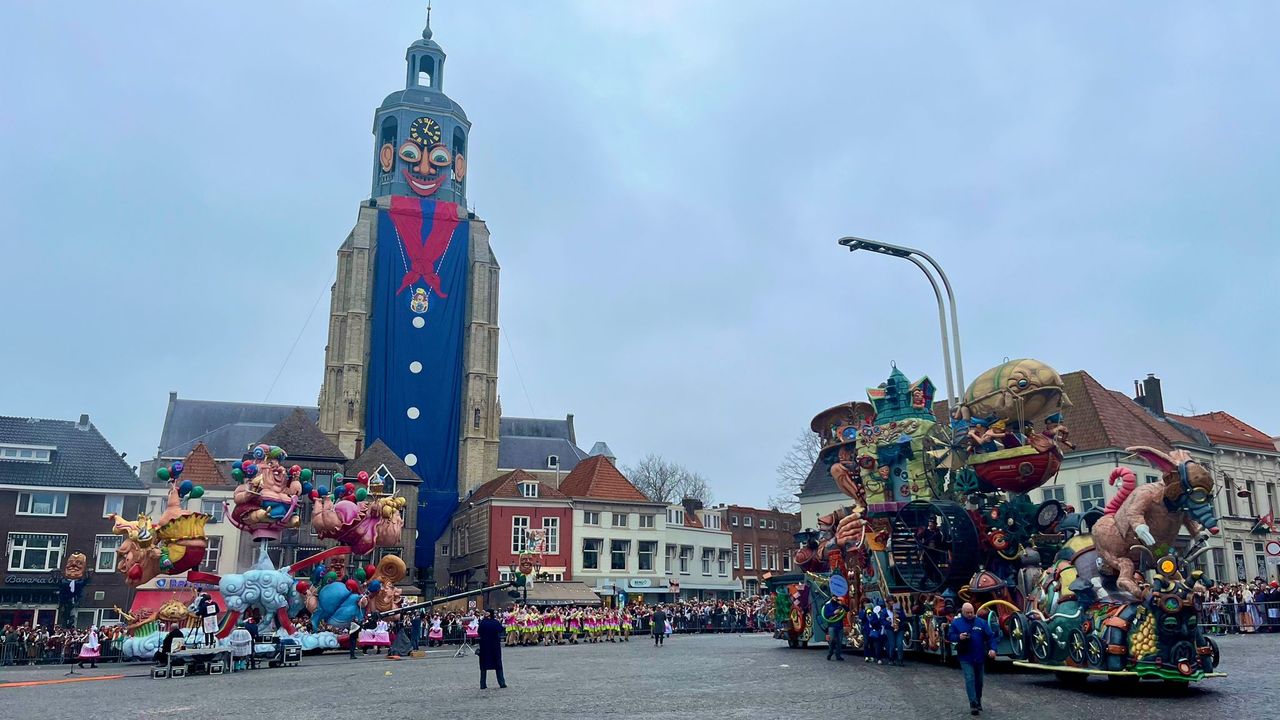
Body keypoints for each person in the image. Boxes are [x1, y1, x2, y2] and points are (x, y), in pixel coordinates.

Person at [947, 602, 998, 716]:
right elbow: (950, 636)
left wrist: (993, 649)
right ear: (963, 612)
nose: (970, 614)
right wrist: (959, 637)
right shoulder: (956, 623)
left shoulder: (981, 622)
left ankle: (978, 700)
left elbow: (990, 637)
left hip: (979, 656)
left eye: (972, 612)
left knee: (979, 681)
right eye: (967, 613)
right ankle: (973, 703)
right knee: (970, 679)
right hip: (965, 656)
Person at [477, 609, 507, 689]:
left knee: (483, 666)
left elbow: (479, 632)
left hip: (484, 646)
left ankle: (483, 684)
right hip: (494, 646)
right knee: (498, 665)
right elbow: (501, 629)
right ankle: (502, 683)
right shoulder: (495, 622)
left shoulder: (483, 623)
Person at [886, 597, 908, 666]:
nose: (892, 603)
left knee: (899, 644)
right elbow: (882, 620)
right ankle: (891, 659)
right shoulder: (885, 610)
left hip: (900, 629)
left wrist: (899, 616)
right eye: (890, 601)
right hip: (890, 629)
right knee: (892, 644)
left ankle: (900, 660)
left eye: (893, 601)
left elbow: (904, 617)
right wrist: (889, 623)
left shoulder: (898, 609)